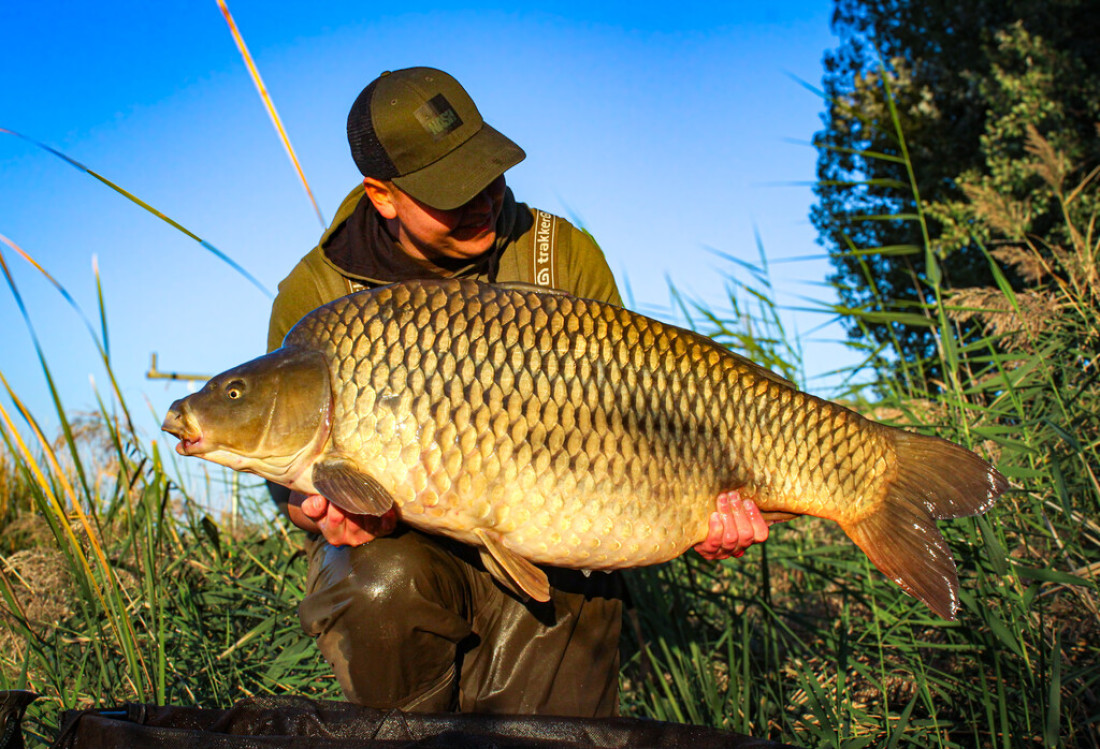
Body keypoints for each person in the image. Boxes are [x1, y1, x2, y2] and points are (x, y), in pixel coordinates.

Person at [267, 67, 772, 717]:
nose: (482, 198)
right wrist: (309, 506)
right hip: (402, 550)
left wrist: (690, 505)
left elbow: (628, 425)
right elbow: (291, 472)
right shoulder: (315, 295)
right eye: (451, 191)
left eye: (488, 172)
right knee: (381, 585)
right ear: (383, 196)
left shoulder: (559, 254)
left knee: (556, 692)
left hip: (558, 526)